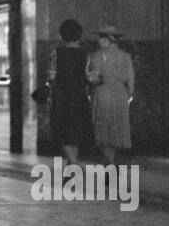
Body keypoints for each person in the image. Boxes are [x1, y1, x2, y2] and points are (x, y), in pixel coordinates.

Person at [86, 24, 134, 166]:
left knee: (103, 132)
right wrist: (129, 94)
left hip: (103, 93)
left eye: (100, 38)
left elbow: (94, 76)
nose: (99, 41)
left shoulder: (99, 55)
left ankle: (110, 164)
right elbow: (131, 78)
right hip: (120, 94)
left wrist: (88, 79)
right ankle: (113, 163)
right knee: (117, 131)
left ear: (106, 40)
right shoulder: (125, 56)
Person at [50, 18, 94, 166]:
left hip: (62, 94)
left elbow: (52, 75)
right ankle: (72, 165)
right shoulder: (85, 54)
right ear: (79, 36)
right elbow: (88, 75)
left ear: (61, 36)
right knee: (75, 131)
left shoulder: (57, 52)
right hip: (79, 95)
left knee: (62, 131)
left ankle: (73, 164)